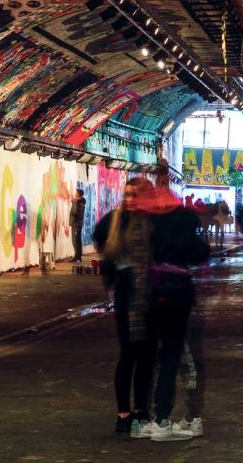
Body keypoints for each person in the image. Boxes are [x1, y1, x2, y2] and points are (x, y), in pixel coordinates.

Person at [134, 168, 209, 441]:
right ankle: (172, 418)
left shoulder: (146, 221)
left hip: (153, 291)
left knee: (153, 356)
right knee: (175, 355)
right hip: (178, 291)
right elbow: (200, 252)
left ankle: (155, 417)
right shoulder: (183, 220)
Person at [93, 177, 156, 435]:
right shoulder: (115, 220)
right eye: (127, 194)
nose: (129, 199)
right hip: (129, 290)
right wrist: (112, 278)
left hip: (150, 291)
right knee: (129, 354)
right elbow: (101, 246)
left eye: (135, 195)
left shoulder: (152, 221)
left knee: (147, 356)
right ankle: (124, 413)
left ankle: (140, 409)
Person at [70, 188, 87, 262]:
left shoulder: (79, 203)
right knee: (78, 241)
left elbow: (75, 212)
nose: (74, 193)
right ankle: (78, 256)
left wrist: (74, 203)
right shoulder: (81, 202)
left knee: (75, 241)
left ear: (78, 194)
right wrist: (74, 202)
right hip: (78, 224)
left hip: (76, 224)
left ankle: (77, 256)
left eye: (75, 192)